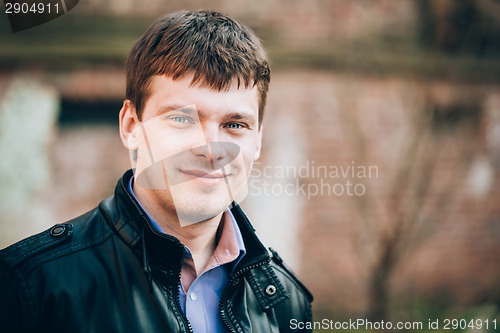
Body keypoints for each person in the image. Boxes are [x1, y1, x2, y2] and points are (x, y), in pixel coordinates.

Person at [0, 10, 313, 333]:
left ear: (257, 141)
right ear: (131, 126)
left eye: (235, 125)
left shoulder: (285, 302)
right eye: (182, 119)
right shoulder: (32, 288)